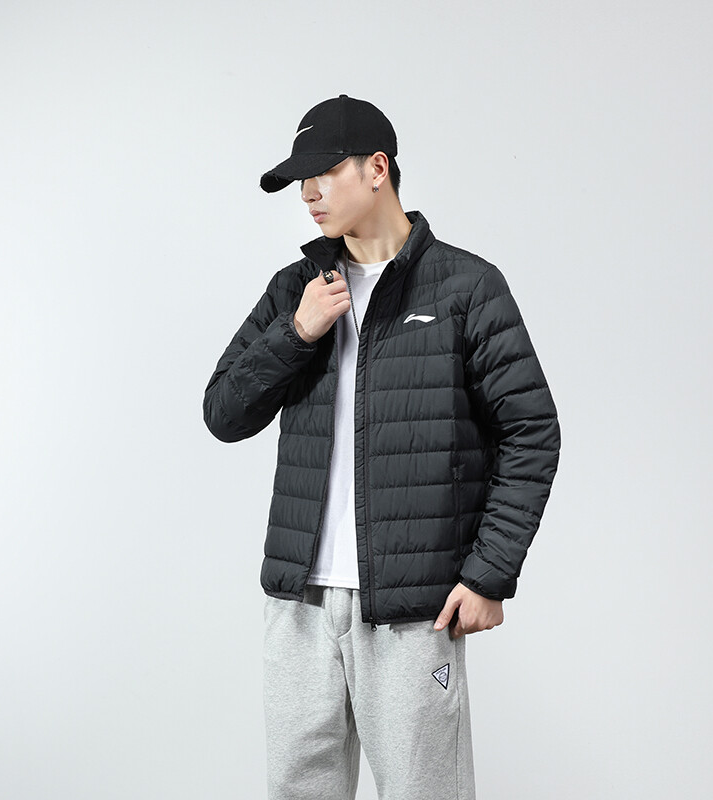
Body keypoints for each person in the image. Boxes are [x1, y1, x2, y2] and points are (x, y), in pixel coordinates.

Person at [203, 94, 560, 800]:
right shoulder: (297, 290)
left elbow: (531, 432)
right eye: (299, 180)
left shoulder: (465, 287)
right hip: (301, 605)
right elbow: (224, 413)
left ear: (377, 168)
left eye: (323, 173)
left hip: (412, 609)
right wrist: (296, 333)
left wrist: (489, 574)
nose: (308, 192)